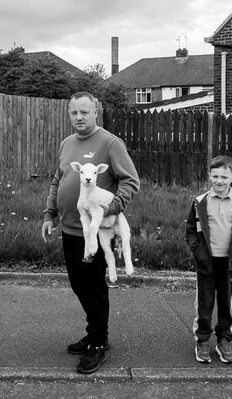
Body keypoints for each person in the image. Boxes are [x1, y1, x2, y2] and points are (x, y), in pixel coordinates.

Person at [41, 91, 139, 374]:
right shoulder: (67, 143)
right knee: (78, 284)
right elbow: (57, 181)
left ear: (96, 111)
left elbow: (130, 181)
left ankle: (97, 342)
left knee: (93, 287)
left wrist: (112, 207)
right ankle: (94, 333)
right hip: (70, 228)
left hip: (95, 233)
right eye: (74, 113)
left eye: (84, 112)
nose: (79, 117)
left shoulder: (110, 143)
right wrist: (50, 214)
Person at [185, 155, 232, 364]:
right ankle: (203, 340)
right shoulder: (200, 202)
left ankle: (223, 340)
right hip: (206, 262)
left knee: (225, 305)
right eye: (215, 176)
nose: (219, 181)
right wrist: (199, 253)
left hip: (229, 263)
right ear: (209, 176)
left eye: (224, 177)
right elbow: (190, 232)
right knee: (204, 304)